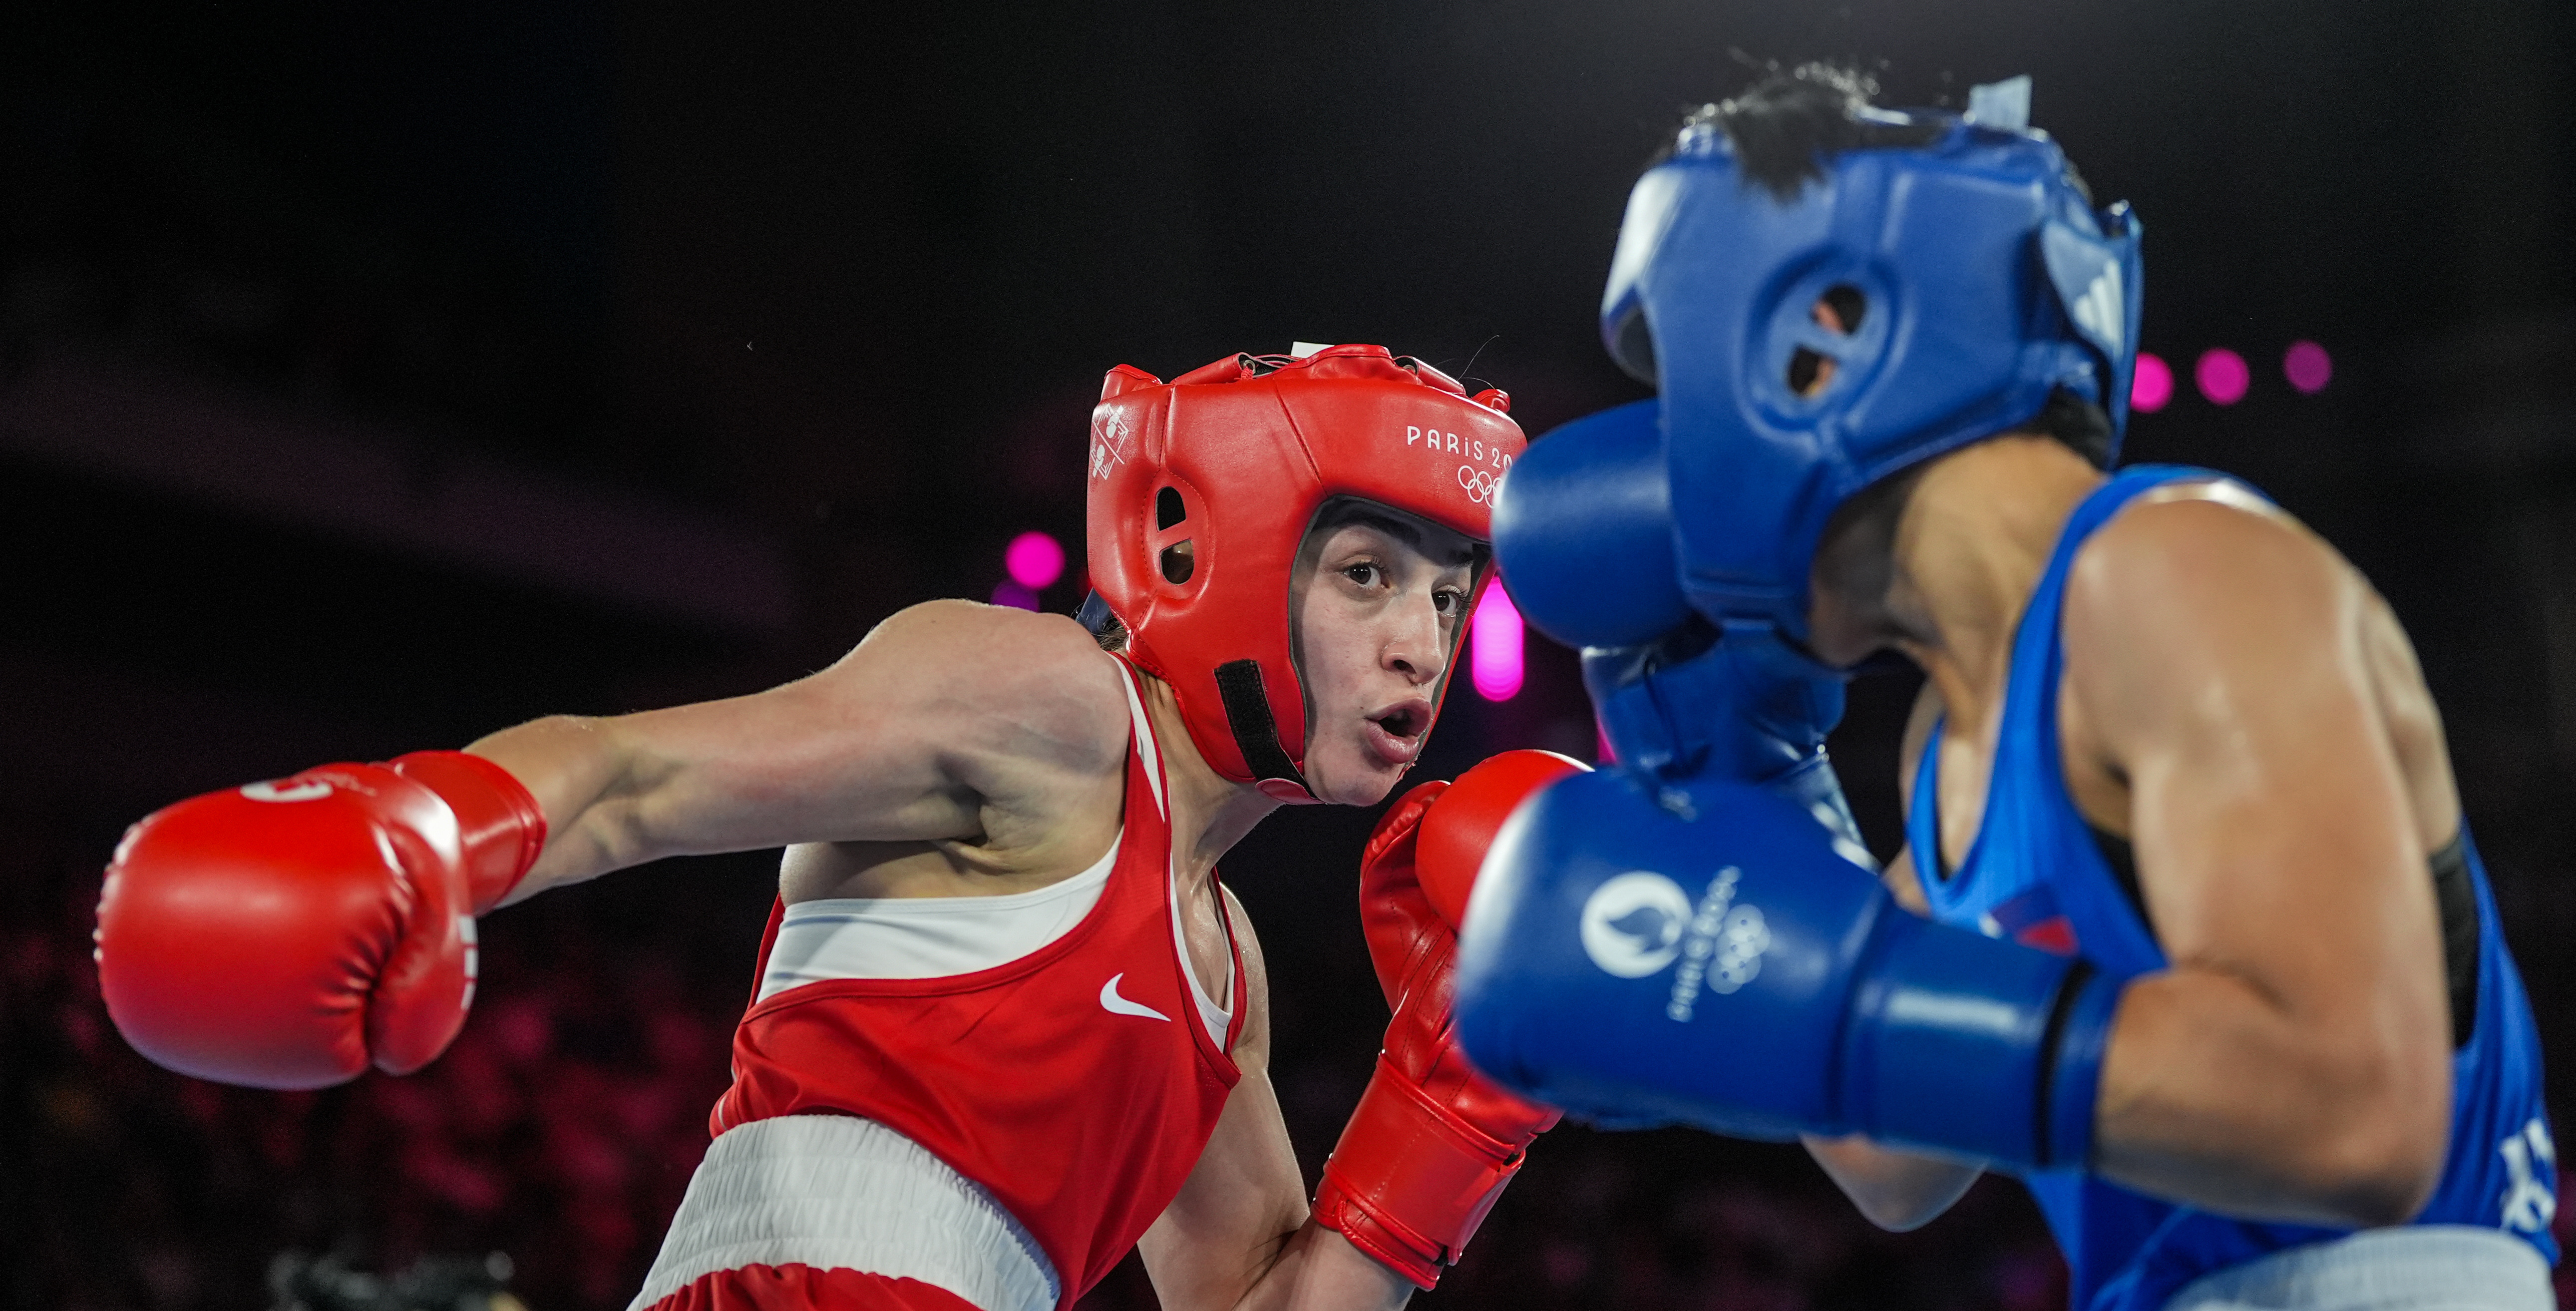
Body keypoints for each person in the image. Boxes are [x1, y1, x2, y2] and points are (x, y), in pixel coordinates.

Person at [93, 343, 1582, 1311]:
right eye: (1371, 576)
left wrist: (1455, 1113)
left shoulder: (1231, 972)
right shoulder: (1047, 701)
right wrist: (413, 832)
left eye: (1451, 602)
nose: (1422, 649)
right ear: (1219, 550)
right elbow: (632, 778)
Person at [1454, 67, 2560, 1311]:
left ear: (1817, 343)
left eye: (1681, 387)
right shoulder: (1956, 746)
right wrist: (1762, 807)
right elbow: (1894, 1167)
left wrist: (1861, 999)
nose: (1669, 452)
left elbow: (2356, 1118)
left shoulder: (2176, 568)